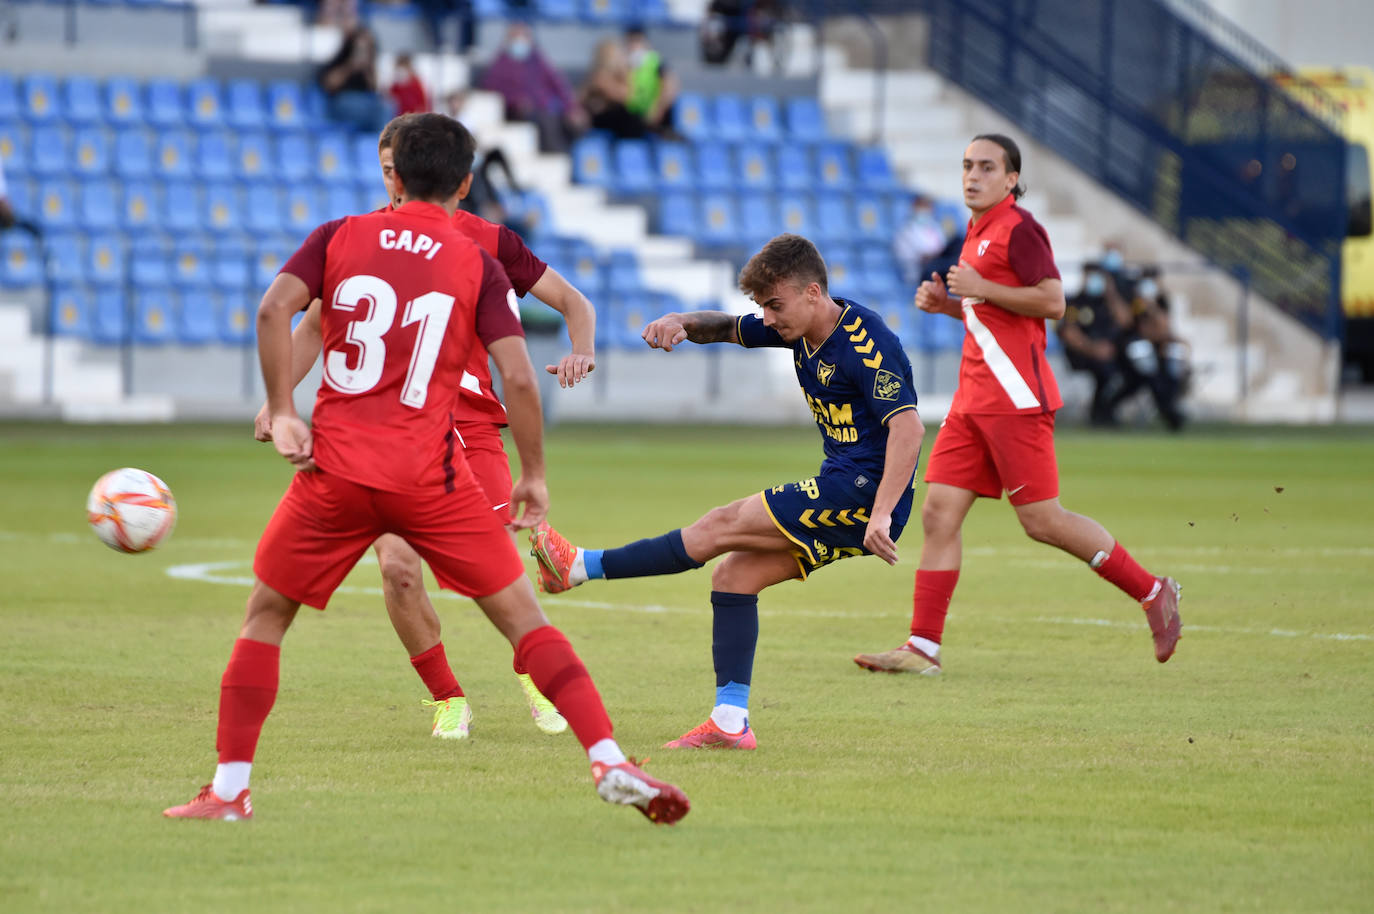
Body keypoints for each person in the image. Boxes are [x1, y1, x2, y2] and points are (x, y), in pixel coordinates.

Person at [166, 114, 687, 825]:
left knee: (265, 615)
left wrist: (282, 408)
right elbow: (522, 380)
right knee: (524, 617)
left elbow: (274, 310)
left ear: (394, 174)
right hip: (428, 473)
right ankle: (607, 759)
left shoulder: (339, 236)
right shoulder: (476, 261)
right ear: (467, 182)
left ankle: (229, 790)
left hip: (337, 470)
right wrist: (534, 473)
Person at [253, 113, 597, 741]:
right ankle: (447, 697)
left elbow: (576, 301)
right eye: (383, 170)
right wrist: (281, 400)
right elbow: (308, 327)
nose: (391, 182)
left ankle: (534, 679)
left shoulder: (488, 243)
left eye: (396, 169)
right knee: (398, 570)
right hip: (389, 431)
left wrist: (583, 347)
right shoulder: (359, 241)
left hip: (470, 422)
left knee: (499, 576)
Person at [529, 233, 924, 750]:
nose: (769, 316)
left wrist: (880, 514)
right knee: (734, 577)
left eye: (774, 305)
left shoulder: (864, 341)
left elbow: (909, 428)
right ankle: (730, 723)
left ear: (812, 292)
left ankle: (578, 566)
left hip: (863, 493)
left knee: (720, 525)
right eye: (762, 305)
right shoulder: (797, 327)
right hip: (851, 492)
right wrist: (680, 323)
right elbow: (726, 327)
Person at [853, 134, 1182, 677]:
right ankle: (922, 649)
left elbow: (1053, 302)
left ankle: (1153, 592)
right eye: (966, 166)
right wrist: (950, 306)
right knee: (938, 514)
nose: (972, 175)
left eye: (986, 167)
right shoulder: (976, 231)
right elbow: (993, 315)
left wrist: (978, 286)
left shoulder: (1021, 229)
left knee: (1042, 521)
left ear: (1011, 180)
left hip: (1014, 400)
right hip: (972, 401)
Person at [478, 23, 588, 153]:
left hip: (546, 108)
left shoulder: (538, 60)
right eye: (516, 38)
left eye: (524, 37)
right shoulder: (500, 64)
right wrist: (515, 101)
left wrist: (571, 107)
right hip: (519, 111)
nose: (520, 42)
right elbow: (490, 88)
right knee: (547, 122)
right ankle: (555, 155)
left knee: (577, 122)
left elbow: (558, 84)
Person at [1058, 261, 1132, 426]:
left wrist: (1112, 294)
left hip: (1108, 355)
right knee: (1105, 371)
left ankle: (1104, 412)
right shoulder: (1074, 302)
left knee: (1127, 371)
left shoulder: (1108, 303)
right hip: (1083, 356)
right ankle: (1099, 414)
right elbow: (1069, 333)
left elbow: (1126, 322)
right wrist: (1093, 349)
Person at [318, 25, 392, 134]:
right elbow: (329, 85)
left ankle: (375, 141)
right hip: (342, 100)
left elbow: (374, 88)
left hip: (366, 102)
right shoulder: (339, 61)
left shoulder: (369, 66)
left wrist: (368, 67)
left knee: (386, 107)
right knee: (379, 111)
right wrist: (351, 65)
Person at [580, 38, 650, 140]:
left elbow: (628, 97)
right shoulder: (596, 76)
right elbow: (583, 98)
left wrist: (609, 85)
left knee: (634, 117)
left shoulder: (621, 74)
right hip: (600, 118)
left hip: (620, 118)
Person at [893, 193, 959, 287]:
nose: (925, 210)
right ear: (914, 207)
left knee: (957, 241)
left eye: (928, 207)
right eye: (922, 206)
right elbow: (910, 257)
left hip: (939, 265)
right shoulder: (907, 231)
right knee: (952, 265)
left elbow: (943, 247)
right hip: (922, 272)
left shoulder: (935, 227)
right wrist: (933, 256)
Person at [623, 25, 679, 137]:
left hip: (653, 113)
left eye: (637, 41)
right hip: (631, 114)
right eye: (631, 41)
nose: (634, 46)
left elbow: (670, 86)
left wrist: (658, 110)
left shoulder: (656, 61)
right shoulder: (622, 63)